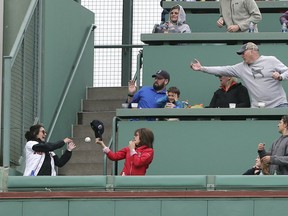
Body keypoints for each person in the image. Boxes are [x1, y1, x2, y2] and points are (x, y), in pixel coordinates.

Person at [190, 42, 288, 108]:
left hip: (279, 105)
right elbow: (222, 70)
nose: (241, 56)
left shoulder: (270, 60)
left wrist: (280, 77)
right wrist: (202, 68)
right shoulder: (241, 67)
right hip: (258, 108)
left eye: (243, 53)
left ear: (252, 51)